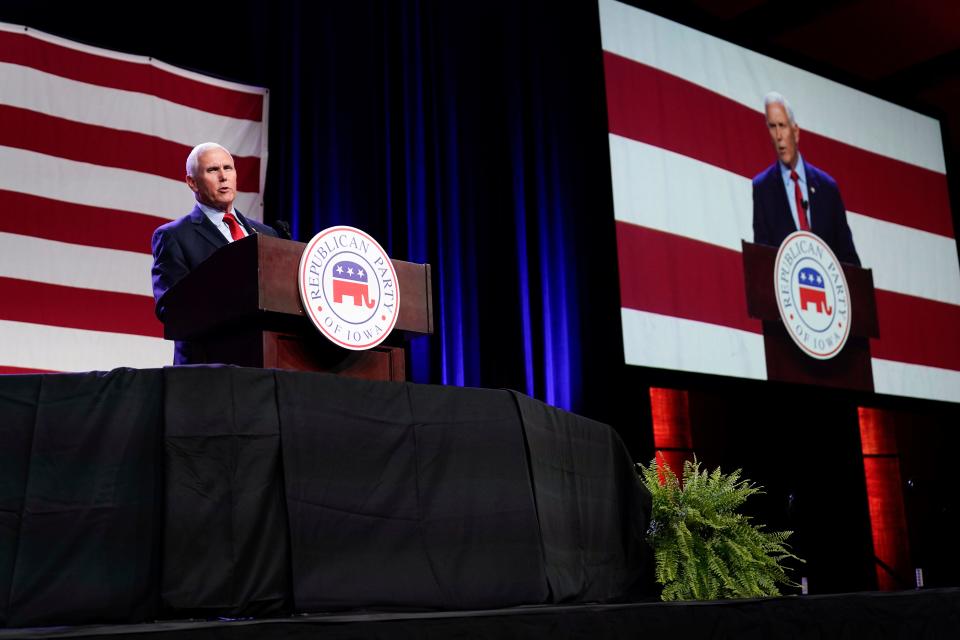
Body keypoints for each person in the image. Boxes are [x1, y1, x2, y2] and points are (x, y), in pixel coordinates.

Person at [151, 142, 278, 364]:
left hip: (265, 366)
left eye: (228, 168)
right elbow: (171, 309)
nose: (223, 176)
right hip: (208, 368)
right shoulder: (175, 236)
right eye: (212, 170)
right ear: (192, 182)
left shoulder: (268, 235)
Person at [752, 92, 860, 266]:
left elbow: (849, 259)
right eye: (772, 127)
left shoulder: (827, 188)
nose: (778, 135)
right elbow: (763, 261)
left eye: (782, 125)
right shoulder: (762, 188)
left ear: (795, 132)